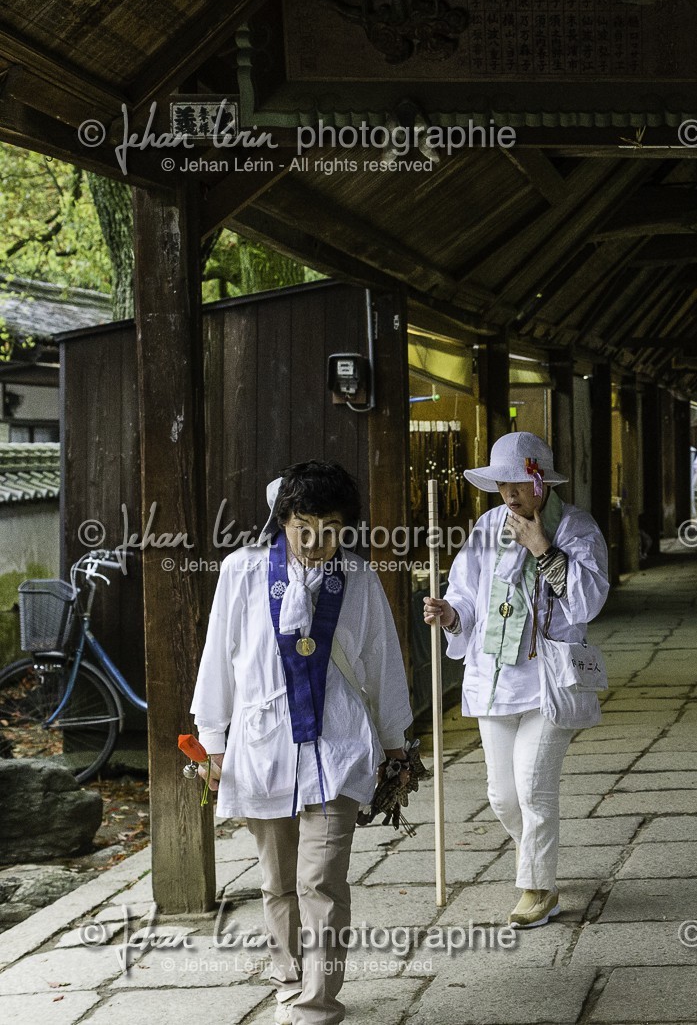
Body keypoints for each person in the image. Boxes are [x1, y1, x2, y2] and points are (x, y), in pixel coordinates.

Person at [191, 461, 414, 1025]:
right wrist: (213, 744)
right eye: (303, 525)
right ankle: (288, 975)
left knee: (321, 880)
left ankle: (318, 1003)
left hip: (337, 745)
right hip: (263, 744)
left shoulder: (358, 578)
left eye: (331, 527)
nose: (316, 540)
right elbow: (219, 658)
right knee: (277, 882)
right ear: (282, 521)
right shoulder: (241, 572)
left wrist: (395, 746)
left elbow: (383, 662)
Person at [421, 431, 610, 928]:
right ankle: (538, 856)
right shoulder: (486, 527)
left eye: (517, 483)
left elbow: (588, 601)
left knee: (532, 786)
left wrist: (542, 546)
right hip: (496, 677)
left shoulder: (576, 527)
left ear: (540, 482)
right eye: (501, 483)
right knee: (502, 795)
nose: (509, 493)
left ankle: (537, 886)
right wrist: (449, 615)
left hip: (549, 679)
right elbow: (466, 592)